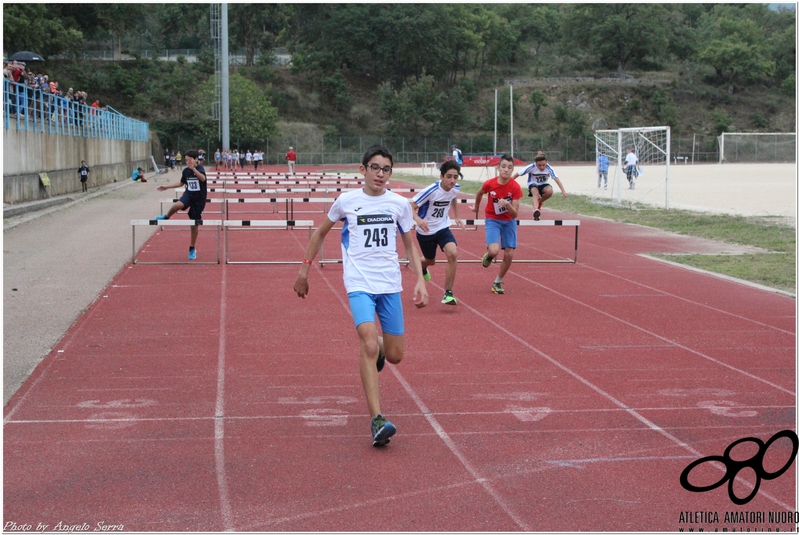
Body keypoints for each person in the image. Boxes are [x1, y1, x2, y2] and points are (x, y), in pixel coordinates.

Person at [293, 145, 429, 447]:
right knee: (367, 342)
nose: (380, 174)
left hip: (390, 286)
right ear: (363, 170)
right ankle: (377, 419)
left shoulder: (398, 204)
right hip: (359, 284)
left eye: (386, 169)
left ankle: (382, 347)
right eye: (375, 167)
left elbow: (409, 244)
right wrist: (304, 271)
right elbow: (320, 233)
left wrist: (420, 280)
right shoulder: (346, 201)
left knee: (395, 356)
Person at [410, 160, 466, 305]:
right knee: (430, 261)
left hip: (442, 228)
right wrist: (418, 220)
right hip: (426, 231)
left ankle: (448, 293)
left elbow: (452, 197)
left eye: (455, 177)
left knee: (452, 253)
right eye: (449, 176)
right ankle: (422, 266)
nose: (452, 181)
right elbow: (411, 207)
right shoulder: (431, 190)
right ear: (441, 176)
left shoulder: (455, 188)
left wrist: (457, 216)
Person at [472, 154, 522, 295]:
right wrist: (476, 207)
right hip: (493, 219)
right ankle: (489, 255)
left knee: (509, 255)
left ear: (512, 170)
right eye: (504, 166)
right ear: (498, 168)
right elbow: (480, 193)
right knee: (494, 251)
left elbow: (515, 214)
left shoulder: (515, 187)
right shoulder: (490, 183)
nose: (506, 170)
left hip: (509, 221)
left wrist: (507, 205)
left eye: (510, 167)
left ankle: (497, 281)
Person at [154, 150, 207, 260]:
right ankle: (166, 217)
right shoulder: (186, 171)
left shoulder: (200, 168)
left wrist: (194, 170)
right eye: (186, 160)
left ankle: (192, 248)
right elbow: (181, 183)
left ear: (196, 159)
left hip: (199, 199)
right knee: (176, 205)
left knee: (194, 224)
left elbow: (203, 178)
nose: (188, 162)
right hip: (189, 194)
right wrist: (166, 187)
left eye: (190, 160)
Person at [512, 151, 567, 221]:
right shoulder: (531, 167)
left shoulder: (549, 168)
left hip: (544, 184)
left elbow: (557, 179)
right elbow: (517, 174)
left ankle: (539, 202)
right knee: (535, 193)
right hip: (533, 184)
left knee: (550, 191)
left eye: (543, 165)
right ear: (536, 164)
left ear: (546, 162)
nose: (542, 167)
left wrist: (563, 191)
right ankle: (536, 210)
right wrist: (508, 182)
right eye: (539, 165)